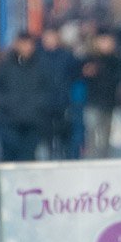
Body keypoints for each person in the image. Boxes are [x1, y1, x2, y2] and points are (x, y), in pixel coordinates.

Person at [0, 31, 51, 162]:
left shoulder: (41, 65)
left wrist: (39, 104)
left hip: (33, 120)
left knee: (27, 158)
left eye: (29, 44)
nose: (26, 47)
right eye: (23, 44)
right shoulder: (5, 64)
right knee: (8, 158)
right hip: (8, 119)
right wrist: (6, 102)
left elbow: (48, 88)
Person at [81, 30, 121, 158]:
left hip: (110, 103)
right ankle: (92, 160)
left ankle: (104, 159)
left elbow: (120, 81)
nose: (107, 44)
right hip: (93, 103)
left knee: (106, 137)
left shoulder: (117, 60)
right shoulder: (90, 59)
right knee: (93, 135)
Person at [39, 26, 80, 159]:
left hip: (63, 101)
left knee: (64, 133)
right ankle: (50, 155)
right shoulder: (38, 56)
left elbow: (75, 74)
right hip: (44, 102)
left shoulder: (66, 56)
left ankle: (65, 157)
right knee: (47, 135)